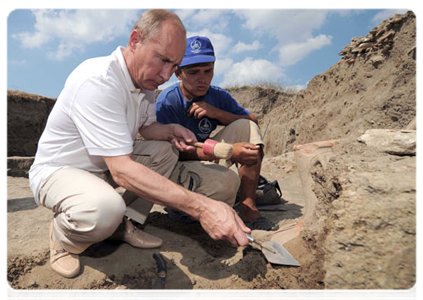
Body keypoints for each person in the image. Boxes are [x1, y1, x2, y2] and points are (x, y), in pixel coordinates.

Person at [29, 9, 250, 279]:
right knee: (104, 208)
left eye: (174, 65)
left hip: (100, 168)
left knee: (164, 150)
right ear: (135, 40)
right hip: (60, 171)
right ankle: (64, 237)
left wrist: (170, 130)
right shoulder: (99, 80)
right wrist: (202, 207)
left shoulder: (144, 82)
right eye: (163, 60)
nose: (167, 75)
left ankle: (124, 225)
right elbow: (122, 169)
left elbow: (145, 128)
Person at [156, 36, 279, 231]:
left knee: (246, 127)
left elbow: (252, 122)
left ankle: (248, 206)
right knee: (226, 185)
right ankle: (180, 207)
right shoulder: (168, 102)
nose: (202, 79)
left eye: (208, 71)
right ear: (178, 73)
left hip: (205, 155)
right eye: (194, 72)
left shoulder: (217, 95)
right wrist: (225, 151)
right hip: (177, 166)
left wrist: (217, 113)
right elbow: (168, 153)